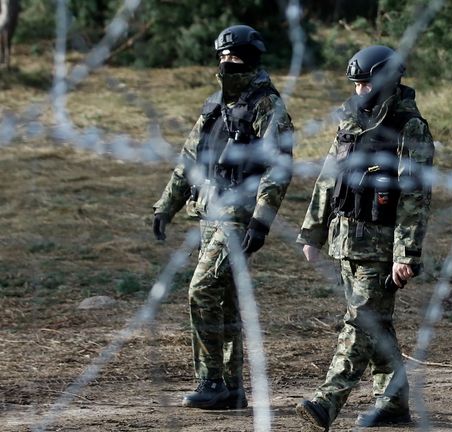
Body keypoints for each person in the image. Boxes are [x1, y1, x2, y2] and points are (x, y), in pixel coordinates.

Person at [151, 24, 293, 410]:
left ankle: (210, 381)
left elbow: (278, 169)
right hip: (209, 212)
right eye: (222, 56)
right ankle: (231, 390)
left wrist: (262, 220)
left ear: (250, 57)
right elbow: (189, 161)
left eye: (233, 56)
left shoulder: (268, 106)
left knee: (202, 289)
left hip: (239, 215)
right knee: (226, 301)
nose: (226, 62)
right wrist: (167, 206)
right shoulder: (215, 105)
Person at [295, 45, 434, 430]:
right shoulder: (351, 123)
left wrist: (405, 253)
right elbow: (328, 180)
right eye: (355, 84)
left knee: (359, 324)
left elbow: (415, 196)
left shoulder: (409, 127)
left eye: (365, 83)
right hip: (346, 242)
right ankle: (392, 403)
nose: (359, 91)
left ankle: (327, 400)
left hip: (381, 248)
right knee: (376, 323)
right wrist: (313, 232)